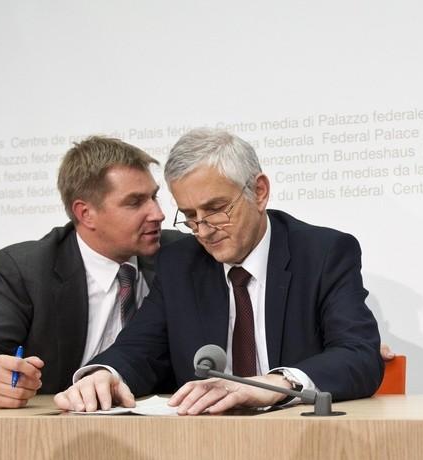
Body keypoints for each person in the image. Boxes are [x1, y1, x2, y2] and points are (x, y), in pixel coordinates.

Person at [54, 128, 383, 415]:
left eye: (215, 209)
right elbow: (139, 348)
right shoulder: (180, 263)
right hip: (207, 450)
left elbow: (358, 355)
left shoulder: (322, 253)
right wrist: (107, 373)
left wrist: (276, 384)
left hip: (300, 441)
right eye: (189, 215)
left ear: (260, 191)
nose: (203, 230)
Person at [0, 136, 182, 408]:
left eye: (154, 196)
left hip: (160, 431)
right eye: (135, 202)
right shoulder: (27, 270)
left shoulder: (180, 255)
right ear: (85, 213)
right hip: (56, 431)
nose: (157, 213)